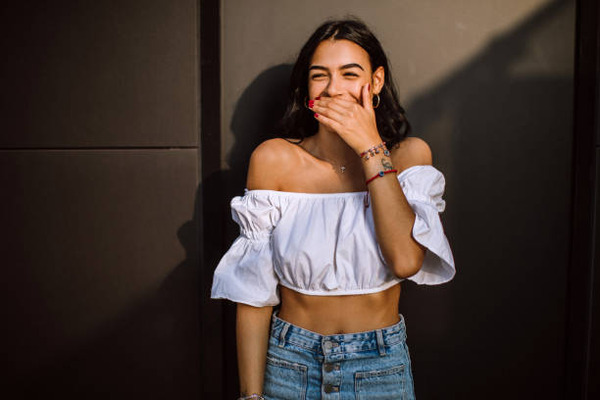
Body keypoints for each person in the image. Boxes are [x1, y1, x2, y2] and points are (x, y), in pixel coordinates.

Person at [211, 18, 455, 399]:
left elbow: (406, 261)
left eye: (349, 73)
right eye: (319, 75)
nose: (333, 88)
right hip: (290, 363)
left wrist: (370, 147)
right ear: (307, 88)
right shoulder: (274, 159)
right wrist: (250, 396)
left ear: (374, 82)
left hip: (379, 367)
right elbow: (253, 294)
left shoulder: (409, 157)